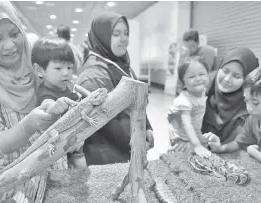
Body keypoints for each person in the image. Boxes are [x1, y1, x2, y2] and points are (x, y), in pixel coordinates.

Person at [0, 3, 76, 201]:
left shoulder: (31, 58)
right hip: (16, 185)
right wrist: (28, 126)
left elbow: (56, 89)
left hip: (57, 172)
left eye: (15, 34)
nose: (10, 46)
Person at [75, 11, 154, 165]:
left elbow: (136, 100)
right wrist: (134, 143)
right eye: (116, 34)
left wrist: (147, 127)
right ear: (102, 37)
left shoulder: (121, 65)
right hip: (106, 152)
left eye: (126, 33)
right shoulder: (94, 73)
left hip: (126, 145)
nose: (124, 39)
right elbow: (106, 120)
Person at [31, 36, 86, 168]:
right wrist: (54, 106)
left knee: (82, 174)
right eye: (58, 68)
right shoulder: (45, 92)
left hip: (76, 143)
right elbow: (48, 105)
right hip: (59, 152)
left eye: (69, 67)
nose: (66, 73)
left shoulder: (66, 87)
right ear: (39, 70)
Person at [202, 47, 259, 144]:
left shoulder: (250, 113)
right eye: (225, 70)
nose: (227, 79)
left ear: (247, 81)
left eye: (236, 76)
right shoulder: (202, 91)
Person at [167, 56, 211, 158]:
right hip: (182, 138)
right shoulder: (184, 101)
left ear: (208, 76)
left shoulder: (202, 92)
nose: (198, 79)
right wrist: (197, 145)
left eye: (202, 74)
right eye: (191, 77)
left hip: (195, 133)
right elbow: (187, 124)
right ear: (183, 84)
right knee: (181, 160)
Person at [176, 30, 217, 95]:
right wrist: (180, 91)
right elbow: (180, 74)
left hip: (206, 89)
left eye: (192, 46)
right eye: (186, 47)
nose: (189, 50)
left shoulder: (208, 51)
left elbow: (204, 73)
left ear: (198, 42)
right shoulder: (185, 54)